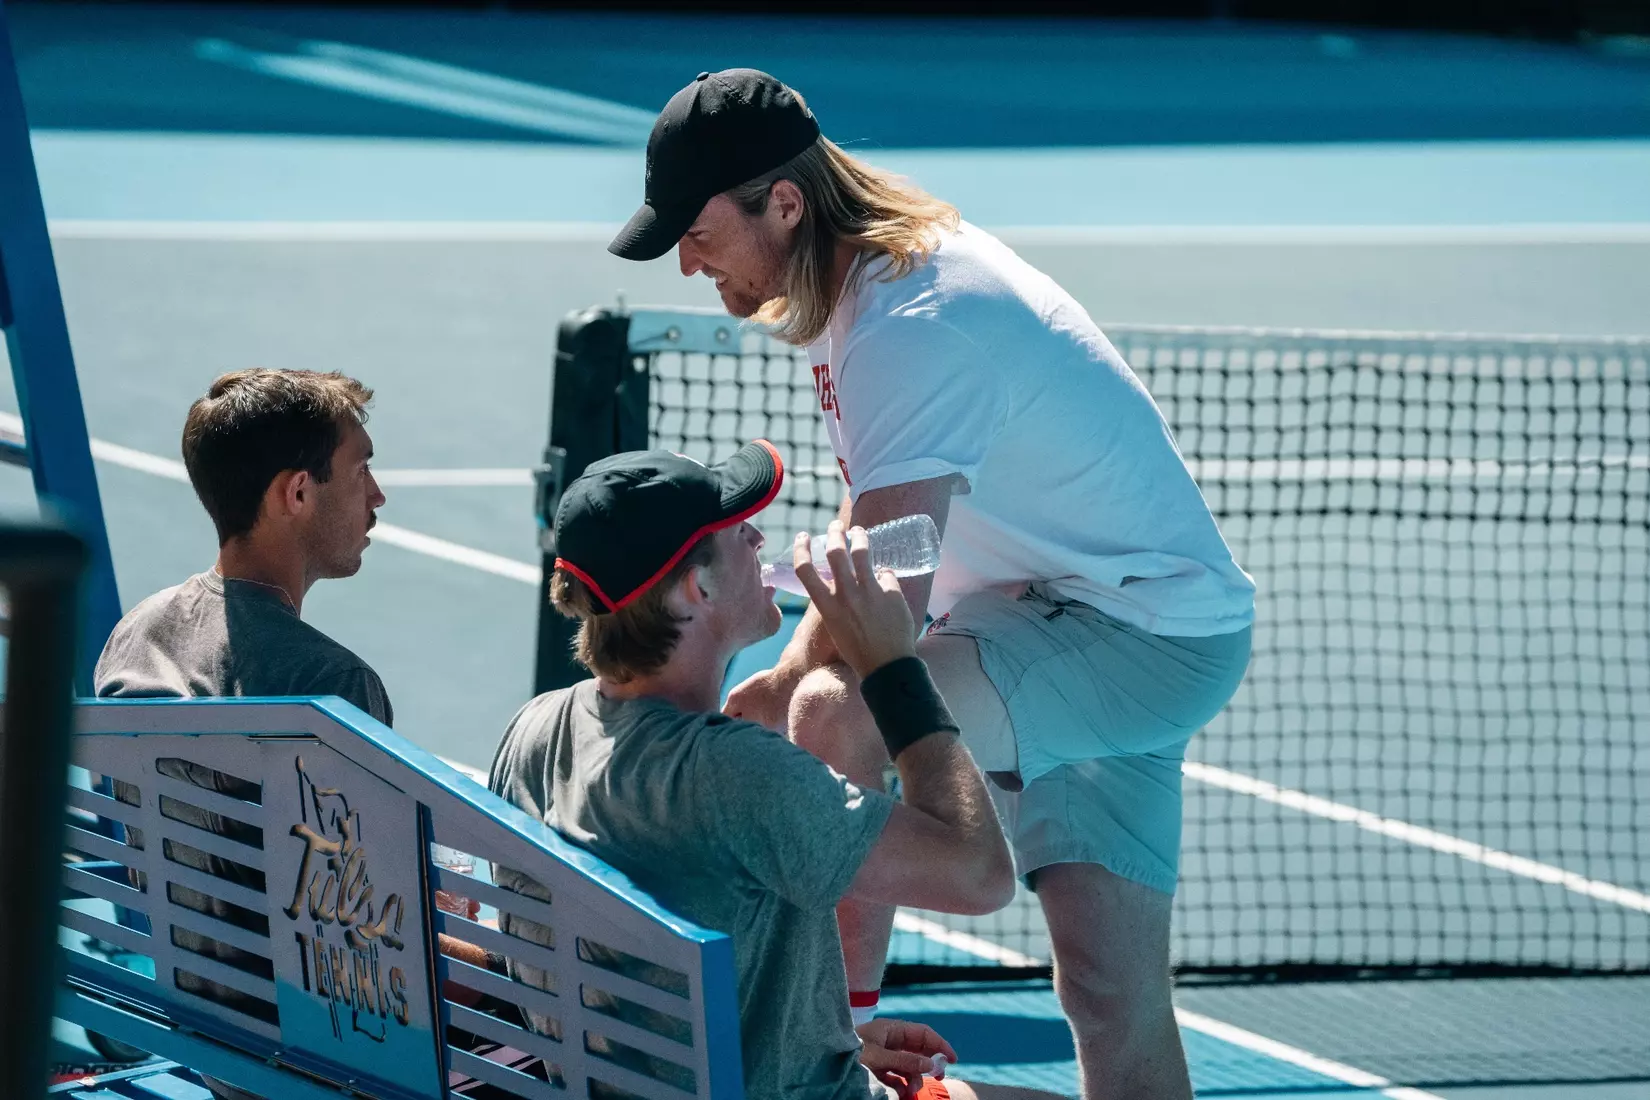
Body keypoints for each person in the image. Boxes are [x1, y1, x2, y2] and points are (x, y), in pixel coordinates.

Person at [608, 69, 1257, 1100]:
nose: (688, 262)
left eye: (696, 231)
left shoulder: (912, 326)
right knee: (1107, 988)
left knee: (840, 714)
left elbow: (885, 614)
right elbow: (877, 533)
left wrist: (776, 696)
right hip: (1072, 621)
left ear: (784, 204)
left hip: (1135, 636)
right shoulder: (869, 295)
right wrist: (772, 684)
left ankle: (826, 1061)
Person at [489, 441, 1060, 1100]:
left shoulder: (532, 733)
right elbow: (981, 874)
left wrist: (828, 1038)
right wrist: (892, 669)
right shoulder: (737, 776)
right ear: (695, 589)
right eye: (735, 530)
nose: (759, 535)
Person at [94, 368, 391, 1100]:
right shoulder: (330, 687)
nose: (377, 497)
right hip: (313, 1062)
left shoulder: (134, 635)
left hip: (201, 1028)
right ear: (297, 493)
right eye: (363, 470)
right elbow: (365, 959)